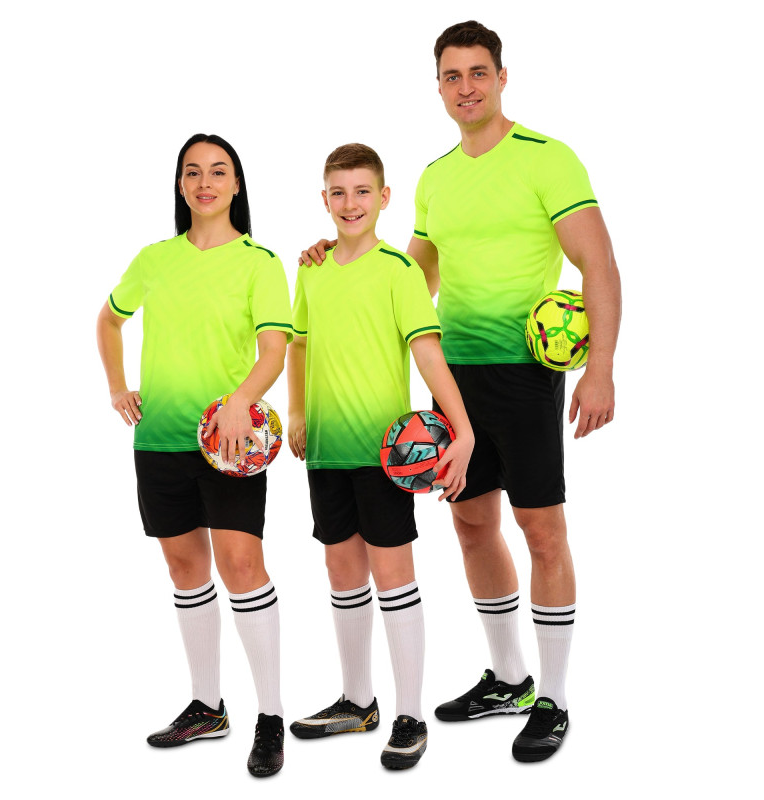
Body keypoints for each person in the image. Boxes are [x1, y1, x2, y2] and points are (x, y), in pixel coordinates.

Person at [299, 21, 621, 763]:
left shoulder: (548, 157)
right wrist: (336, 252)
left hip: (525, 374)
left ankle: (554, 697)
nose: (466, 87)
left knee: (543, 530)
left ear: (502, 78)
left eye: (479, 72)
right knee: (472, 525)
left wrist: (601, 365)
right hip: (455, 377)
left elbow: (599, 262)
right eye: (452, 76)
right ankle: (508, 679)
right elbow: (411, 274)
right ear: (439, 87)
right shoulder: (436, 176)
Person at [96, 133, 294, 778]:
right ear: (181, 185)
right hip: (159, 439)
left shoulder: (260, 262)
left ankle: (270, 716)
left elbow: (274, 352)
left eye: (218, 171)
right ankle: (207, 707)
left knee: (242, 566)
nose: (205, 182)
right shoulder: (155, 258)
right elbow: (108, 319)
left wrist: (240, 402)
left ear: (236, 184)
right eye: (192, 172)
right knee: (185, 569)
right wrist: (118, 387)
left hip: (229, 445)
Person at [287, 143, 474, 770]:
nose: (351, 203)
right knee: (342, 571)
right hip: (326, 451)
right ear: (324, 200)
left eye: (362, 191)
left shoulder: (400, 273)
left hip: (385, 453)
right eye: (339, 193)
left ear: (384, 197)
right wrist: (296, 413)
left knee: (394, 575)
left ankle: (409, 714)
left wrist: (462, 430)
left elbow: (428, 354)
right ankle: (357, 701)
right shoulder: (311, 270)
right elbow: (299, 345)